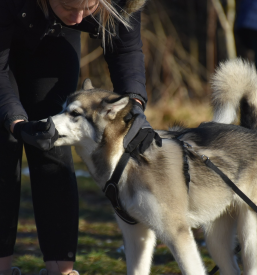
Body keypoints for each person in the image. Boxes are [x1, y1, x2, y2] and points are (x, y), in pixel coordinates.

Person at [0, 0, 161, 274]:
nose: (77, 19)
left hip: (53, 43)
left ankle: (61, 269)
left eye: (88, 8)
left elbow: (126, 48)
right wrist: (16, 123)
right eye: (68, 7)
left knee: (54, 142)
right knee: (4, 146)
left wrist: (134, 107)